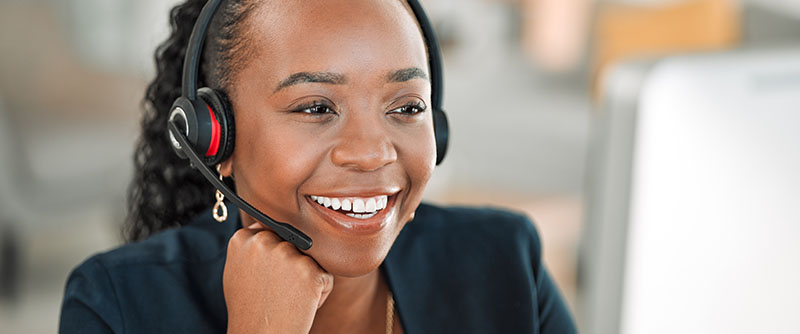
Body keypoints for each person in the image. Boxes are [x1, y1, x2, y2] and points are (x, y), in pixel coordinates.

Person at [59, 0, 576, 333]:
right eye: (315, 108)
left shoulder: (507, 262)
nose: (372, 152)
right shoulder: (116, 306)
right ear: (216, 137)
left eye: (407, 107)